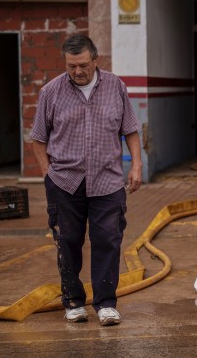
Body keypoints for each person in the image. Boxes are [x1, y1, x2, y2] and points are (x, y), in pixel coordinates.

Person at [30, 33, 143, 326]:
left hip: (107, 181)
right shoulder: (51, 92)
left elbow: (130, 129)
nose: (77, 72)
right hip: (65, 182)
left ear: (96, 60)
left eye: (83, 65)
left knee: (108, 240)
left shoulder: (115, 86)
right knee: (67, 241)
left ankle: (105, 303)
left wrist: (136, 165)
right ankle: (73, 301)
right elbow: (38, 139)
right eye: (71, 66)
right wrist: (48, 176)